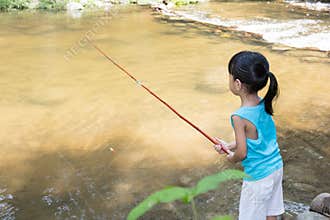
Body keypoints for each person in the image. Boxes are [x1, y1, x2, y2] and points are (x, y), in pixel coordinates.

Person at [214, 51, 284, 220]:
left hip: (258, 177)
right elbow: (256, 139)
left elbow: (242, 153)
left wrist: (230, 157)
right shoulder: (263, 103)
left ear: (237, 84)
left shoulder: (239, 116)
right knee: (270, 213)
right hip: (276, 168)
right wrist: (228, 145)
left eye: (229, 76)